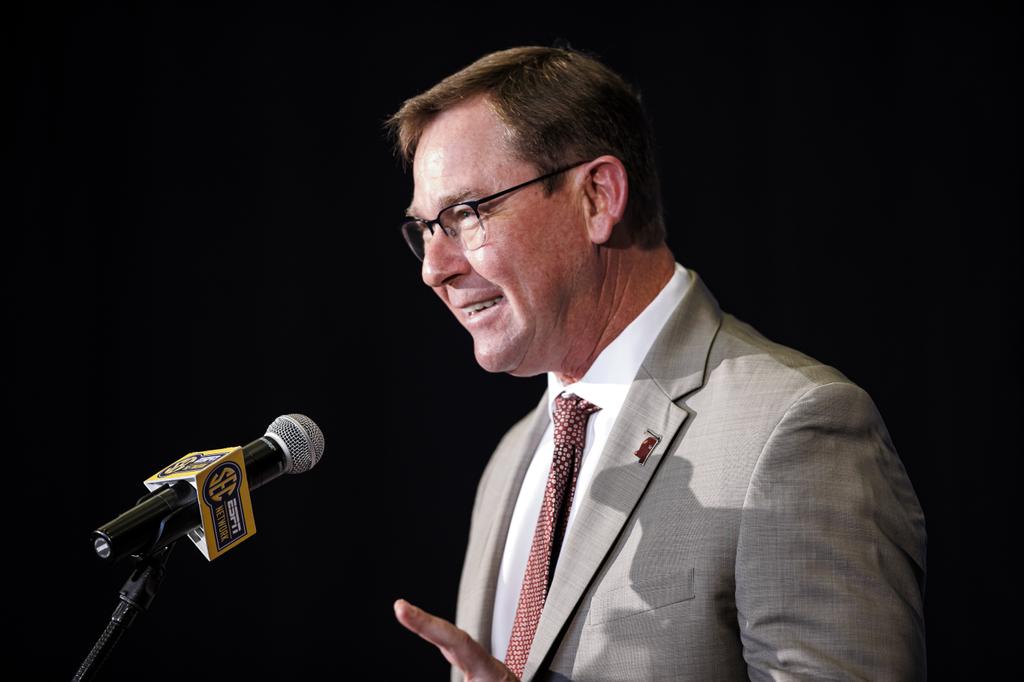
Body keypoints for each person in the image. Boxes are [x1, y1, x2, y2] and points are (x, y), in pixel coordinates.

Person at [386, 45, 926, 682]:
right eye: (425, 227)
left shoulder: (796, 430)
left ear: (597, 196)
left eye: (465, 214)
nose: (433, 268)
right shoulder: (512, 459)